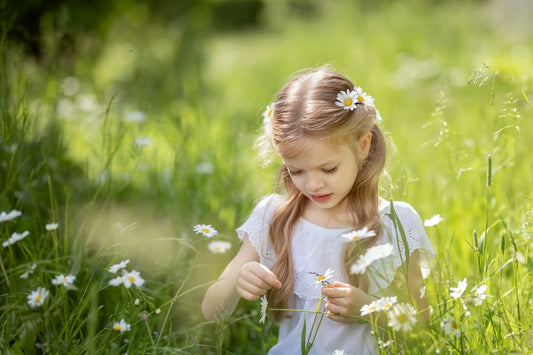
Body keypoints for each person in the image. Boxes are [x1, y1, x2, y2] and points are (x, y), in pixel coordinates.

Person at [201, 67, 435, 354]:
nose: (313, 184)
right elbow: (210, 310)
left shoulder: (395, 223)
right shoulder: (274, 216)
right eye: (296, 171)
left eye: (329, 168)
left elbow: (423, 327)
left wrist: (368, 308)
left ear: (363, 145)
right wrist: (237, 280)